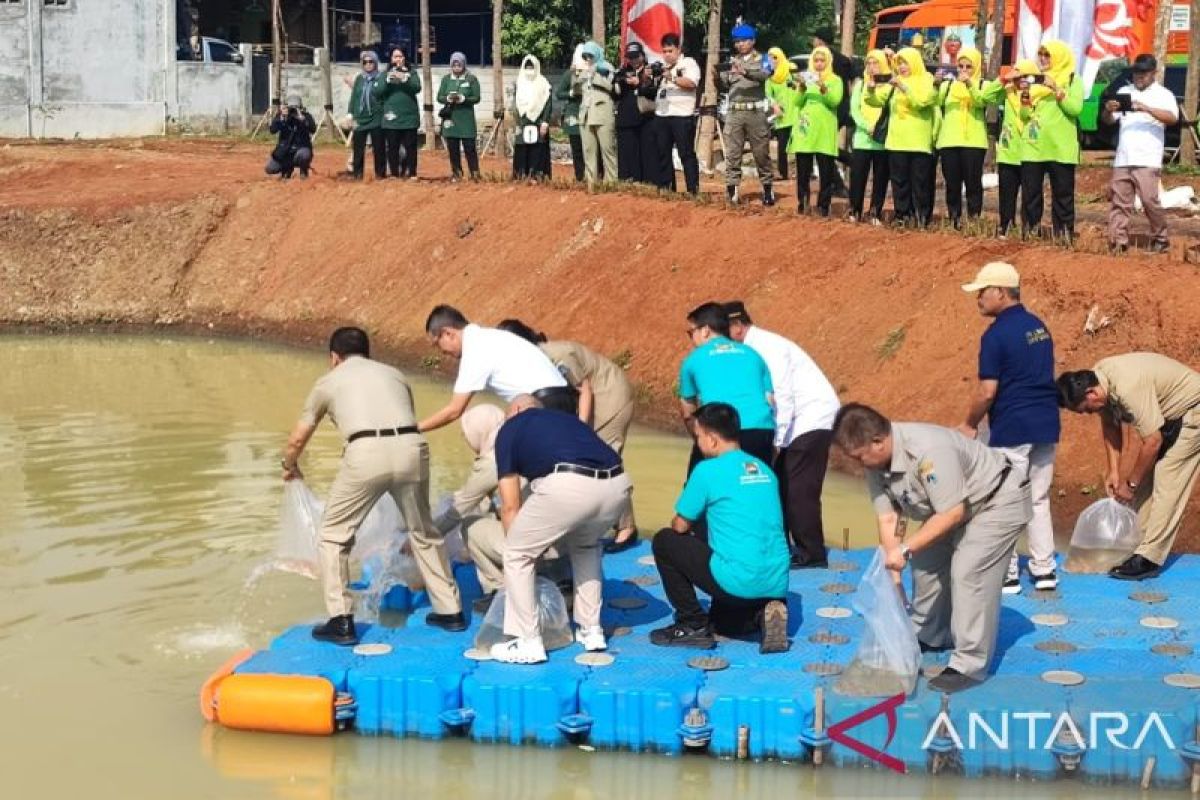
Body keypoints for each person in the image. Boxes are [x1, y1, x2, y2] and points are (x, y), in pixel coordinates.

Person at [280, 327, 464, 646]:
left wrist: (289, 465)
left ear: (334, 358)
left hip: (366, 453)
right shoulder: (394, 374)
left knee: (334, 535)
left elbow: (298, 437)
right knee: (423, 530)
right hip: (412, 447)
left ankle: (341, 621)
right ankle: (451, 611)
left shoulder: (328, 381)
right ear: (368, 353)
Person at [833, 403, 1032, 693]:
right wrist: (895, 571)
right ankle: (931, 633)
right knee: (926, 562)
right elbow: (889, 516)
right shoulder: (876, 464)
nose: (857, 464)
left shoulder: (928, 451)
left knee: (969, 571)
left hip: (996, 499)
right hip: (951, 507)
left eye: (859, 456)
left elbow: (951, 513)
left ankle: (969, 663)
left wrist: (905, 549)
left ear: (878, 441)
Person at [489, 396, 633, 664]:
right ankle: (592, 631)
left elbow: (510, 506)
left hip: (570, 484)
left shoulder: (511, 428)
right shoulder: (566, 421)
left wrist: (526, 551)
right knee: (586, 546)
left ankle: (527, 641)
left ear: (517, 410)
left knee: (517, 554)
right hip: (619, 484)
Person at [649, 402, 790, 652]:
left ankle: (692, 624)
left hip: (736, 579)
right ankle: (761, 613)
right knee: (724, 623)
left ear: (713, 439)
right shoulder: (765, 470)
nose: (699, 443)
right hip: (775, 583)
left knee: (665, 540)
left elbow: (680, 525)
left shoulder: (707, 471)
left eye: (699, 437)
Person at [957, 263, 1060, 594]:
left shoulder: (996, 335)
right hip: (1045, 423)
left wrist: (969, 424)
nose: (978, 299)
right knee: (1039, 497)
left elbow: (988, 391)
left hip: (1013, 426)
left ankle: (1008, 573)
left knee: (1001, 500)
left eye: (982, 292)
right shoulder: (1038, 327)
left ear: (1000, 292)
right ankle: (1044, 570)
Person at [497, 318, 640, 552]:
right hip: (590, 399)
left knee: (604, 457)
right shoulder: (529, 363)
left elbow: (584, 389)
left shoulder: (554, 355)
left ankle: (626, 529)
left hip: (609, 396)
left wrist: (580, 428)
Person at [1056, 354, 1200, 580]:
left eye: (1086, 409)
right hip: (1169, 421)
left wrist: (1130, 484)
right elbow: (1111, 426)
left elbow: (1152, 442)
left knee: (1168, 481)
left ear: (1091, 393)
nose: (1087, 413)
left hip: (1194, 411)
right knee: (1143, 490)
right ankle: (1138, 547)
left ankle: (1149, 558)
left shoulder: (1128, 387)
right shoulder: (1099, 378)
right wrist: (1114, 471)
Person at [726, 302, 840, 569]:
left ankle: (812, 553)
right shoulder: (754, 347)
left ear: (738, 327)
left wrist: (775, 443)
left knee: (799, 489)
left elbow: (783, 396)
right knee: (780, 484)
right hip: (794, 423)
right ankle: (787, 547)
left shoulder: (767, 347)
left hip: (810, 418)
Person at [419, 305, 571, 433]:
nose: (441, 352)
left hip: (544, 405)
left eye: (437, 344)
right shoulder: (489, 337)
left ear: (448, 333)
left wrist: (413, 429)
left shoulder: (475, 349)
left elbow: (454, 410)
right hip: (563, 398)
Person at [679, 302, 775, 472]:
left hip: (722, 434)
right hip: (761, 431)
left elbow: (688, 413)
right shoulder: (754, 355)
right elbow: (769, 400)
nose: (691, 338)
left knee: (699, 488)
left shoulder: (692, 360)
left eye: (691, 332)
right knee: (755, 488)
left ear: (705, 330)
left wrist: (699, 439)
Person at [434, 405, 509, 613]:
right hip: (560, 542)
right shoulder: (518, 444)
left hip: (531, 550)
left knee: (469, 525)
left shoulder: (493, 461)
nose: (466, 439)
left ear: (481, 432)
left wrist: (421, 538)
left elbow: (457, 511)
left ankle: (499, 590)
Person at [1103, 54, 1178, 255]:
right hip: (1124, 157)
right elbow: (1109, 121)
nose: (1139, 77)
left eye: (1144, 73)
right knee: (1120, 201)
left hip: (1147, 157)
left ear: (1154, 72)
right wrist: (1108, 111)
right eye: (1137, 72)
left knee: (1149, 200)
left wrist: (1145, 108)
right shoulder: (1123, 91)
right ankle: (1118, 241)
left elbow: (1172, 118)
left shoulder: (1163, 94)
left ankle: (1160, 238)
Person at [1020, 40, 1083, 243]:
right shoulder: (1034, 81)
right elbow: (1024, 114)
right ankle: (1030, 231)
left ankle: (1063, 235)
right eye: (1041, 55)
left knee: (1063, 195)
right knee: (1031, 193)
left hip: (1060, 147)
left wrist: (1056, 89)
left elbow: (1075, 109)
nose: (1043, 59)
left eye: (1048, 55)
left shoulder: (1072, 79)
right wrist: (1026, 97)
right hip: (1034, 145)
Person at [867, 47, 936, 227]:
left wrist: (904, 87)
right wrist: (871, 89)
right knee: (899, 182)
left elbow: (922, 102)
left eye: (905, 63)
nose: (902, 67)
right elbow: (874, 100)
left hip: (918, 142)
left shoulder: (925, 80)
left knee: (919, 183)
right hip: (896, 141)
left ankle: (921, 218)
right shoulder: (895, 83)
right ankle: (902, 216)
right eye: (899, 63)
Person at [718, 23, 775, 206]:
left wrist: (745, 72)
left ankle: (767, 189)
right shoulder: (732, 60)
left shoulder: (763, 58)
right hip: (735, 111)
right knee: (733, 153)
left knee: (761, 153)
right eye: (737, 42)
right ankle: (732, 190)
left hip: (755, 112)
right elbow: (725, 84)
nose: (740, 45)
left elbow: (765, 75)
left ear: (753, 41)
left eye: (743, 41)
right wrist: (718, 73)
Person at [787, 46, 844, 216]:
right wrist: (802, 87)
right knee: (803, 170)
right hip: (805, 130)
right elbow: (797, 101)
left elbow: (834, 101)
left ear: (828, 62)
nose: (819, 64)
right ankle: (803, 203)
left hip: (824, 131)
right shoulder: (806, 78)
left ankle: (823, 206)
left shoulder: (835, 80)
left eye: (822, 61)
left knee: (825, 171)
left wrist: (823, 86)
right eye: (816, 61)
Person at [983, 61, 1037, 237]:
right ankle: (1006, 226)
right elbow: (986, 96)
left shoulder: (1038, 93)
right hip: (1008, 153)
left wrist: (1029, 89)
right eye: (1017, 75)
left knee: (1031, 196)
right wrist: (1003, 79)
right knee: (1007, 195)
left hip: (1030, 151)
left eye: (1022, 76)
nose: (1019, 80)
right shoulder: (1007, 92)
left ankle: (1029, 229)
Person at [935, 47, 987, 228]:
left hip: (973, 142)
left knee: (973, 182)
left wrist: (970, 84)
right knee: (952, 183)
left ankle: (974, 218)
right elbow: (934, 101)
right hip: (949, 141)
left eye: (968, 66)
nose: (963, 70)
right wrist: (936, 83)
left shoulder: (982, 85)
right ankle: (954, 218)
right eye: (961, 66)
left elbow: (981, 101)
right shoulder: (948, 86)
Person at [653, 33, 702, 195]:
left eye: (670, 51)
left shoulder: (688, 63)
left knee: (686, 154)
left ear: (678, 49)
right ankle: (667, 189)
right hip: (662, 114)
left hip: (682, 115)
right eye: (664, 51)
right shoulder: (661, 67)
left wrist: (672, 77)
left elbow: (692, 83)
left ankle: (692, 190)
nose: (667, 54)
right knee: (662, 153)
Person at [810, 27, 855, 197]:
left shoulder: (824, 60)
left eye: (815, 39)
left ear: (820, 41)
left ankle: (852, 162)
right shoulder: (843, 59)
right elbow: (854, 79)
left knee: (822, 147)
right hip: (842, 107)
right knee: (822, 147)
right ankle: (838, 184)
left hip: (831, 108)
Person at [848, 50, 891, 224]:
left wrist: (879, 128)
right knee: (858, 177)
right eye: (869, 63)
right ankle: (854, 210)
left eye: (876, 63)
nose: (872, 67)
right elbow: (854, 109)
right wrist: (866, 127)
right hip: (862, 139)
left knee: (880, 179)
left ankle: (875, 212)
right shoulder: (861, 84)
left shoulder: (889, 86)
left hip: (882, 140)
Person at [613, 41, 659, 183]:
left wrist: (639, 82)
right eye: (630, 57)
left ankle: (648, 183)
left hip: (646, 120)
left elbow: (653, 91)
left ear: (642, 56)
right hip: (627, 120)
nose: (633, 61)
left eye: (636, 57)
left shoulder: (650, 71)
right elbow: (615, 93)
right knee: (627, 154)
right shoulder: (622, 72)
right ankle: (629, 181)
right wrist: (620, 82)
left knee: (647, 154)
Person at [575, 41, 618, 185]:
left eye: (590, 55)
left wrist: (595, 76)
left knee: (608, 150)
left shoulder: (607, 67)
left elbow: (614, 88)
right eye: (585, 56)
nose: (588, 59)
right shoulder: (583, 70)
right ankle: (591, 183)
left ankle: (611, 182)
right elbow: (576, 91)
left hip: (603, 113)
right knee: (588, 151)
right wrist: (577, 77)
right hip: (586, 114)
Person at [438, 52, 482, 182]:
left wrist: (464, 99)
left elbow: (477, 97)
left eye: (459, 64)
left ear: (464, 65)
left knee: (469, 147)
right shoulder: (446, 79)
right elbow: (439, 96)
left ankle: (474, 173)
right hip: (451, 118)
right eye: (454, 64)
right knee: (453, 148)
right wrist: (448, 98)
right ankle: (457, 173)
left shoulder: (471, 79)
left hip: (466, 118)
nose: (456, 67)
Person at [378, 47, 421, 179]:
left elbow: (417, 88)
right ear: (391, 59)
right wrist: (387, 81)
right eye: (395, 57)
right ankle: (394, 173)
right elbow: (378, 91)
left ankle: (412, 172)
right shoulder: (385, 74)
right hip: (392, 117)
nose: (398, 59)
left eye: (400, 56)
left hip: (409, 116)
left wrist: (404, 78)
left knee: (411, 147)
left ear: (405, 58)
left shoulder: (412, 73)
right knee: (392, 147)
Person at [512, 54, 554, 181]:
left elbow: (548, 104)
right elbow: (515, 105)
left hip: (538, 122)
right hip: (523, 122)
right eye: (527, 67)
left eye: (532, 67)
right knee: (522, 149)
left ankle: (537, 175)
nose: (529, 70)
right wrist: (517, 121)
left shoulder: (543, 84)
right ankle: (520, 175)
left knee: (538, 149)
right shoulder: (519, 83)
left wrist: (545, 122)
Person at [348, 51, 385, 181]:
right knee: (358, 149)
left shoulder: (381, 77)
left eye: (371, 62)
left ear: (375, 63)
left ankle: (380, 175)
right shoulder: (359, 78)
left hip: (376, 117)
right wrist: (350, 114)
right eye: (365, 62)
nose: (368, 64)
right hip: (360, 118)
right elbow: (354, 97)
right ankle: (357, 175)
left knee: (379, 148)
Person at [765, 47, 798, 181]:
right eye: (769, 57)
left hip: (797, 113)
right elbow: (768, 93)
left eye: (773, 57)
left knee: (799, 144)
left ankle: (799, 171)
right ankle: (783, 173)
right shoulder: (770, 76)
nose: (771, 60)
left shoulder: (792, 70)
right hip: (782, 115)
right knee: (782, 146)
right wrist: (774, 104)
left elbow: (802, 84)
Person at [556, 45, 587, 182]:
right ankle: (579, 177)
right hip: (573, 116)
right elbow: (559, 93)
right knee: (577, 149)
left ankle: (593, 176)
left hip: (588, 115)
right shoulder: (569, 75)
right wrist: (571, 93)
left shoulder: (591, 73)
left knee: (590, 149)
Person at [266, 94, 316, 180]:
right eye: (291, 108)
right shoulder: (282, 116)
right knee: (270, 169)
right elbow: (272, 130)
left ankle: (303, 170)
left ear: (300, 107)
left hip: (301, 149)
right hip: (285, 151)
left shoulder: (306, 116)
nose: (293, 110)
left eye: (295, 108)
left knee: (304, 155)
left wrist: (303, 120)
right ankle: (287, 169)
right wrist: (282, 118)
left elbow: (313, 129)